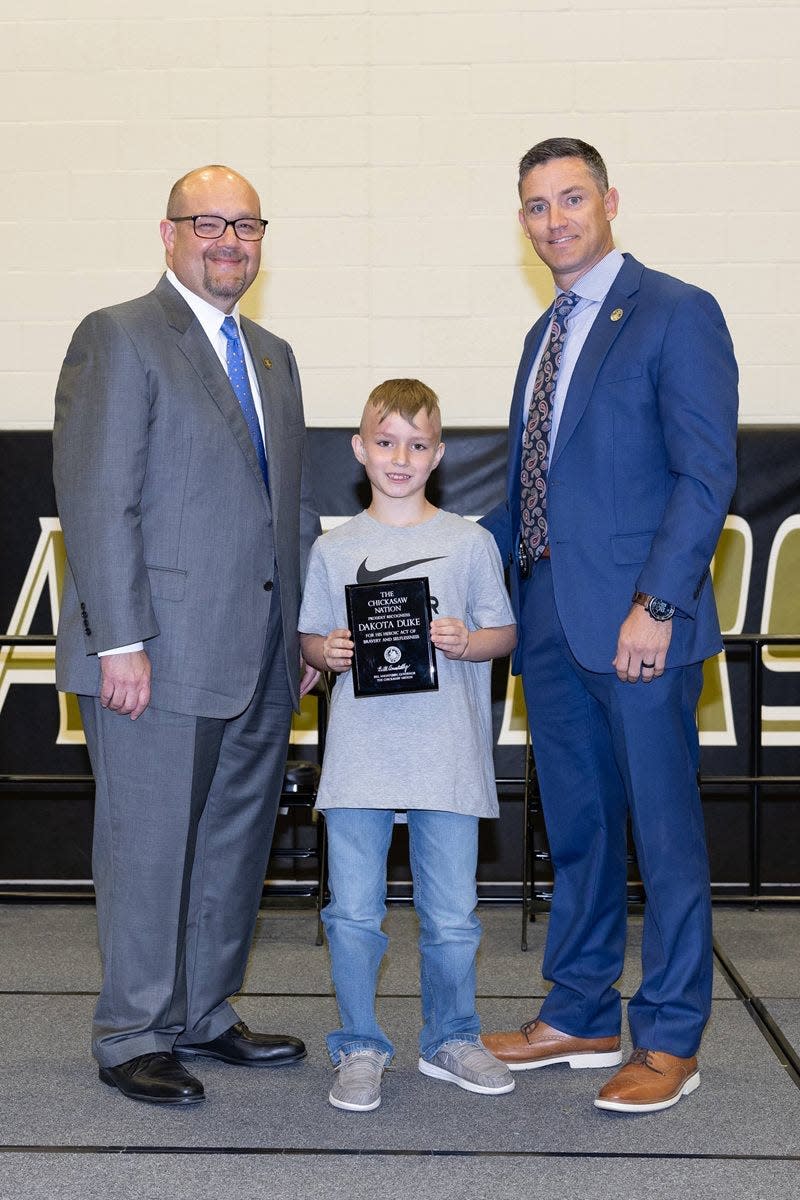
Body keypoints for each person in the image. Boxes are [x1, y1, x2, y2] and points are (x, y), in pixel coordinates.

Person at [52, 165, 320, 1106]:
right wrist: (118, 638)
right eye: (207, 223)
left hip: (255, 655)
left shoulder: (274, 354)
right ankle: (132, 1033)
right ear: (166, 234)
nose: (228, 241)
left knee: (232, 844)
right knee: (149, 845)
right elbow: (95, 497)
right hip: (153, 655)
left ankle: (204, 1016)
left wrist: (300, 636)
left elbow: (287, 512)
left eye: (246, 226)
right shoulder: (119, 336)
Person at [480, 138, 739, 1113]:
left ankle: (669, 1035)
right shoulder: (539, 338)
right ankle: (580, 1010)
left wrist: (656, 602)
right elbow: (528, 495)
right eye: (537, 206)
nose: (555, 220)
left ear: (608, 200)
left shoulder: (675, 313)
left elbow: (703, 473)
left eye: (571, 198)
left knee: (664, 837)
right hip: (547, 622)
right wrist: (432, 558)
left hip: (640, 625)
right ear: (522, 221)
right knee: (580, 832)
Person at [298, 379, 517, 1112]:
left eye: (417, 444)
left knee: (452, 916)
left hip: (447, 759)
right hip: (361, 760)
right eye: (386, 441)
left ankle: (452, 1037)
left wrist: (469, 640)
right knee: (352, 914)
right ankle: (359, 1045)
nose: (401, 457)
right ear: (360, 449)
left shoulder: (470, 541)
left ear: (439, 454)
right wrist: (325, 649)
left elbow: (504, 632)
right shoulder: (334, 549)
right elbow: (310, 637)